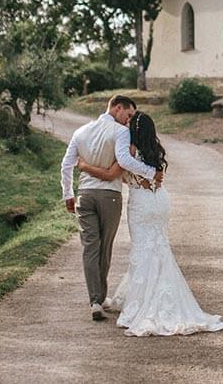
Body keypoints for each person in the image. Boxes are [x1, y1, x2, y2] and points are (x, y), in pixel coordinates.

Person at [76, 111, 223, 337]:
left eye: (128, 123)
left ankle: (145, 303)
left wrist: (84, 165)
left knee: (143, 250)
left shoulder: (128, 151)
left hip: (141, 204)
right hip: (160, 200)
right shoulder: (154, 150)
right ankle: (157, 295)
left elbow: (111, 174)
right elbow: (151, 176)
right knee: (159, 248)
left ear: (134, 128)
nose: (123, 125)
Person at [60, 94, 160, 321]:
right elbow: (124, 161)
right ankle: (99, 298)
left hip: (84, 195)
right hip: (110, 196)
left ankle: (96, 300)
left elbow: (66, 165)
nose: (129, 120)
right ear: (117, 108)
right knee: (104, 248)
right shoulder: (120, 132)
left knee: (89, 247)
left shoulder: (80, 132)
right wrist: (150, 173)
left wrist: (68, 193)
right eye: (128, 114)